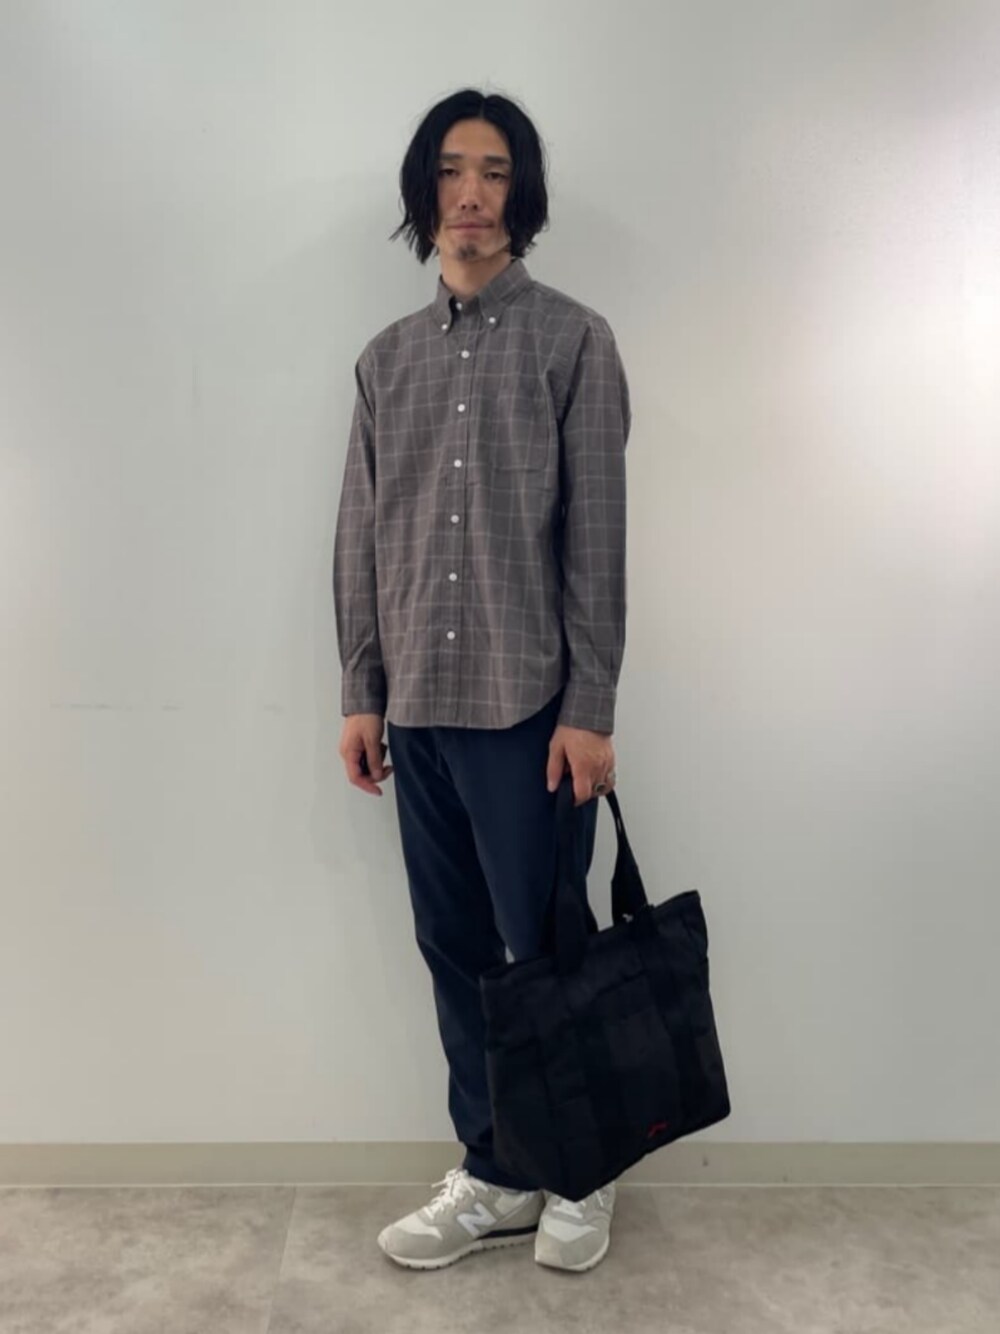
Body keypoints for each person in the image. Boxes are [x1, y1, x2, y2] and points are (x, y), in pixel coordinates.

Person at [332, 87, 630, 1273]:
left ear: (522, 194)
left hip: (529, 711)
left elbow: (595, 539)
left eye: (494, 172)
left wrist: (590, 707)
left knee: (549, 949)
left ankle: (582, 1169)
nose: (470, 194)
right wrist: (361, 688)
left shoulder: (572, 341)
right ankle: (498, 1168)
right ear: (425, 193)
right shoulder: (386, 360)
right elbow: (360, 536)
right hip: (418, 711)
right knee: (454, 948)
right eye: (452, 171)